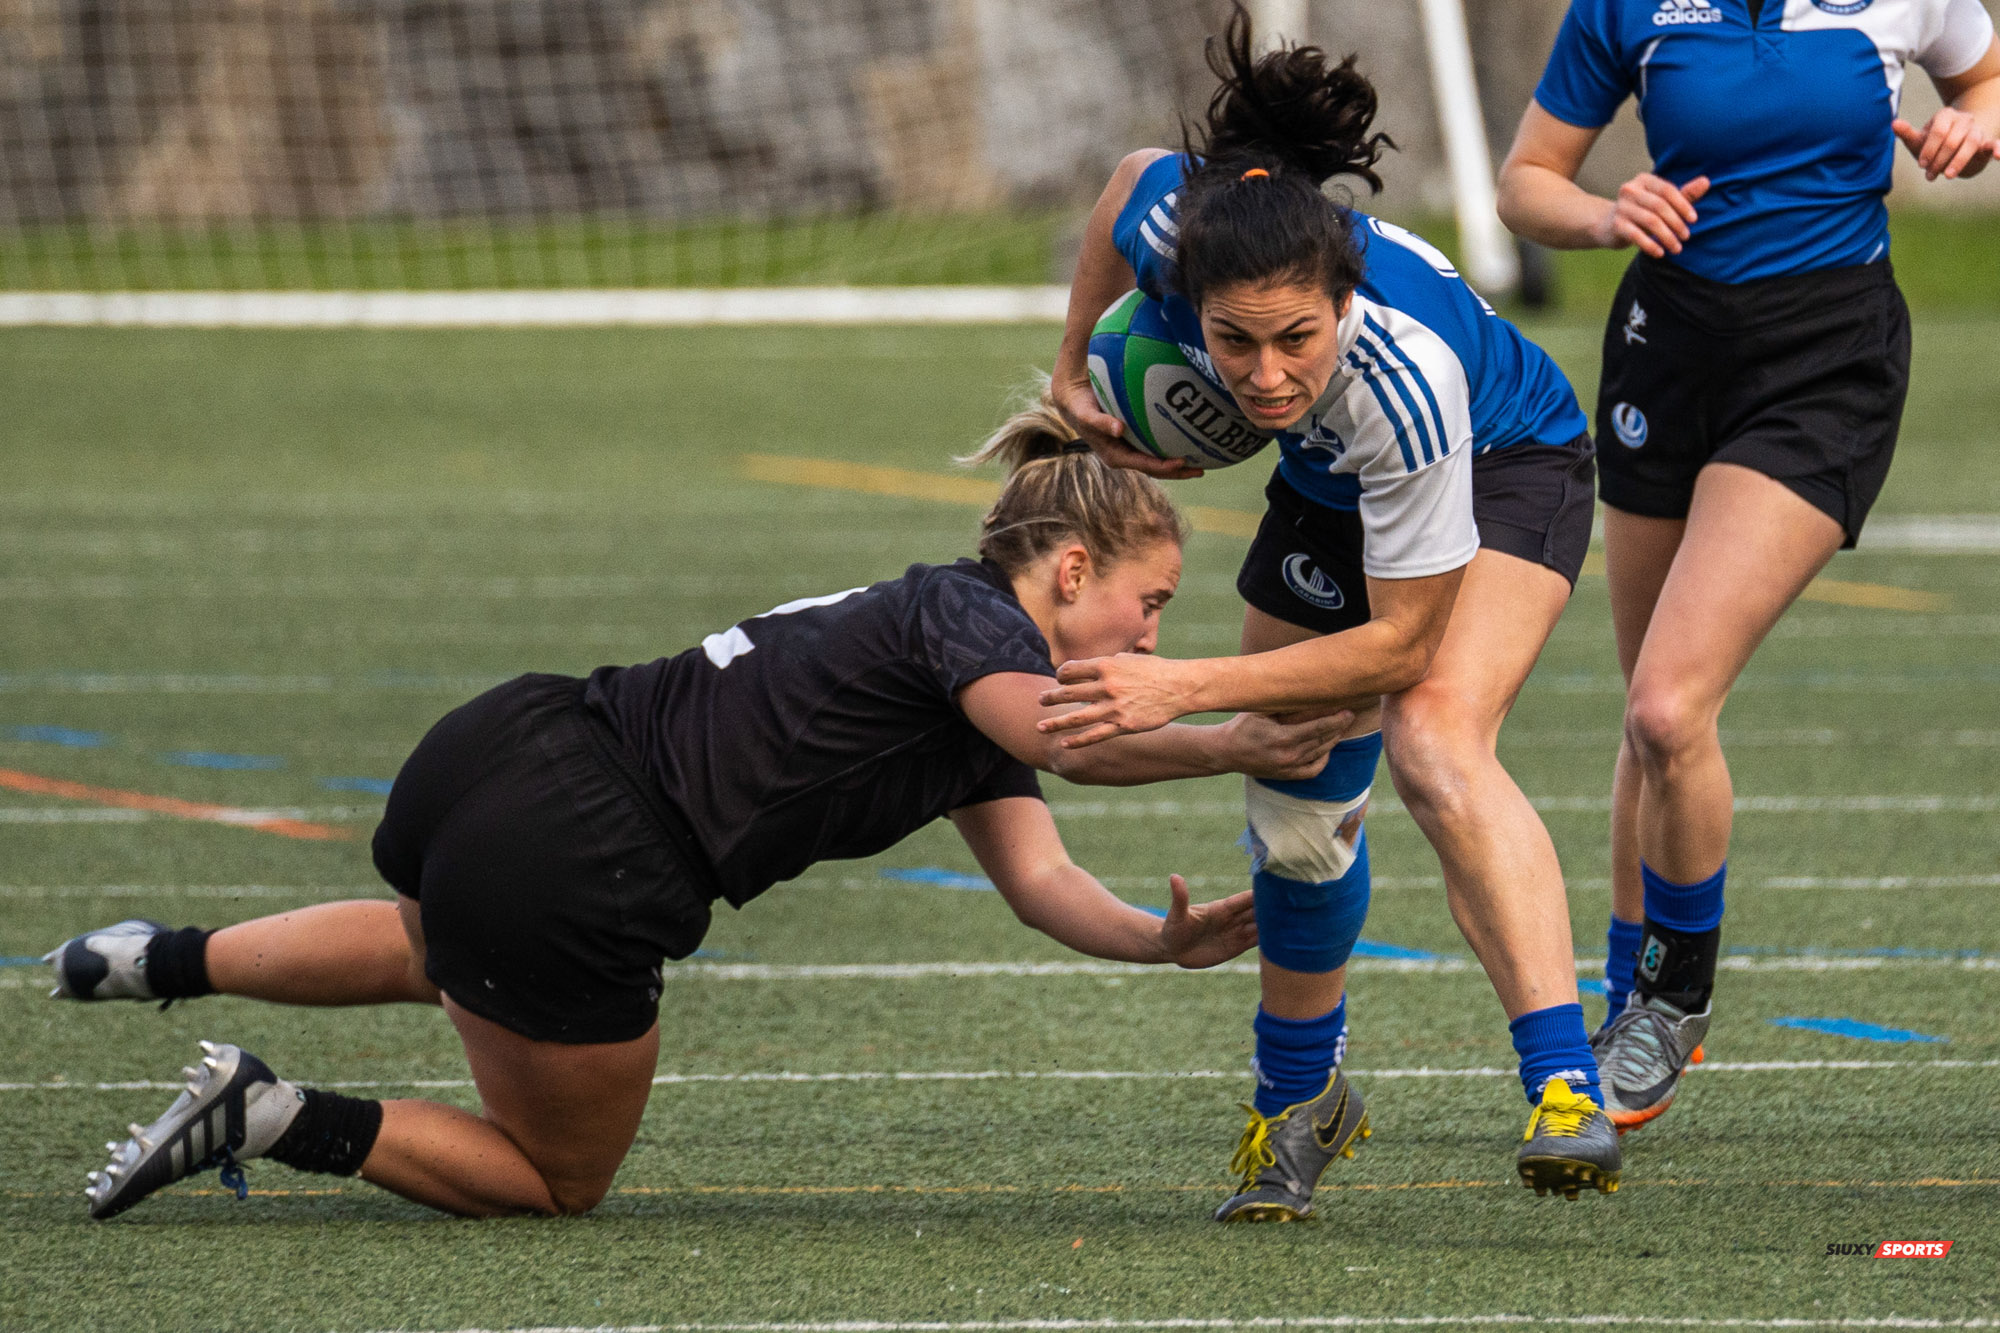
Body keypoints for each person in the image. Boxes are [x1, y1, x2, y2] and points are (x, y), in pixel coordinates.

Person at [47, 403, 1350, 1222]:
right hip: (592, 853)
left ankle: (155, 957)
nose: (1151, 635)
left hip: (507, 743)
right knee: (556, 1179)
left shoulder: (967, 671)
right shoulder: (980, 633)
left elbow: (1041, 879)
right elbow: (1064, 741)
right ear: (1069, 568)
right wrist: (1231, 732)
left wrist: (1154, 941)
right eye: (1150, 602)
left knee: (434, 948)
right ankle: (273, 1115)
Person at [1044, 6, 1618, 1216]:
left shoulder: (1403, 379)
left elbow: (1400, 645)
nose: (1263, 375)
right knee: (1295, 786)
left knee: (1433, 738)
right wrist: (1067, 369)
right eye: (1232, 343)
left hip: (1503, 460)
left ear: (1339, 296)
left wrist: (1180, 686)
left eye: (1295, 339)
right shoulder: (1172, 230)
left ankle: (1564, 1085)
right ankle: (1297, 1100)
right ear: (1189, 297)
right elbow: (1123, 186)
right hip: (1329, 476)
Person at [1493, 0, 1999, 1132]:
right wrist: (1602, 213)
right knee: (1647, 717)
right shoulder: (1624, 6)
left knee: (1669, 708)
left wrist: (1977, 122)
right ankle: (1626, 1000)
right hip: (1665, 355)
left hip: (1824, 360)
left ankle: (1672, 999)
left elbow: (1985, 80)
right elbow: (1524, 183)